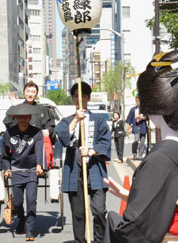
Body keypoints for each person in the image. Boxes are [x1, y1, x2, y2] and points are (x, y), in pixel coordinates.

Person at [103, 50, 178, 242]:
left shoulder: (160, 160)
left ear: (153, 105)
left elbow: (136, 233)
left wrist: (113, 221)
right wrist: (130, 196)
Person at [55, 81, 111, 243]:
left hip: (94, 169)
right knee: (79, 213)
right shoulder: (67, 120)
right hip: (75, 170)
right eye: (75, 96)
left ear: (88, 98)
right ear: (72, 99)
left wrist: (92, 151)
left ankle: (100, 240)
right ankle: (80, 240)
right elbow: (63, 138)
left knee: (99, 210)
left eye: (83, 96)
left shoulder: (99, 120)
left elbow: (105, 142)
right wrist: (76, 121)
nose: (79, 100)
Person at [0, 103, 45, 241]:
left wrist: (39, 165)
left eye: (26, 117)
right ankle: (21, 218)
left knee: (31, 200)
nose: (23, 120)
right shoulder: (9, 134)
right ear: (17, 118)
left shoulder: (37, 132)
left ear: (30, 117)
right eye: (21, 117)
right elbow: (5, 155)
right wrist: (6, 168)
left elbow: (39, 150)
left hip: (31, 170)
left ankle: (30, 229)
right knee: (18, 202)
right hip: (16, 171)